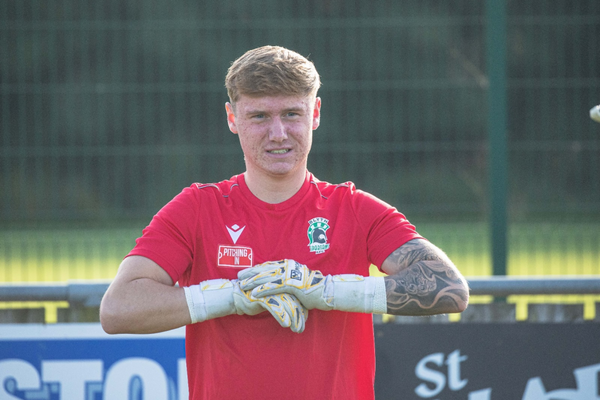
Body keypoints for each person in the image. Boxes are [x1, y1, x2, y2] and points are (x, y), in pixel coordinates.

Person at [100, 45, 469, 400]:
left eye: (292, 114)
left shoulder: (354, 209)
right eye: (259, 116)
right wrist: (232, 296)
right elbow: (117, 309)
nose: (278, 133)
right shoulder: (197, 208)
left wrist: (326, 292)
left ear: (316, 113)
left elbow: (451, 288)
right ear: (232, 117)